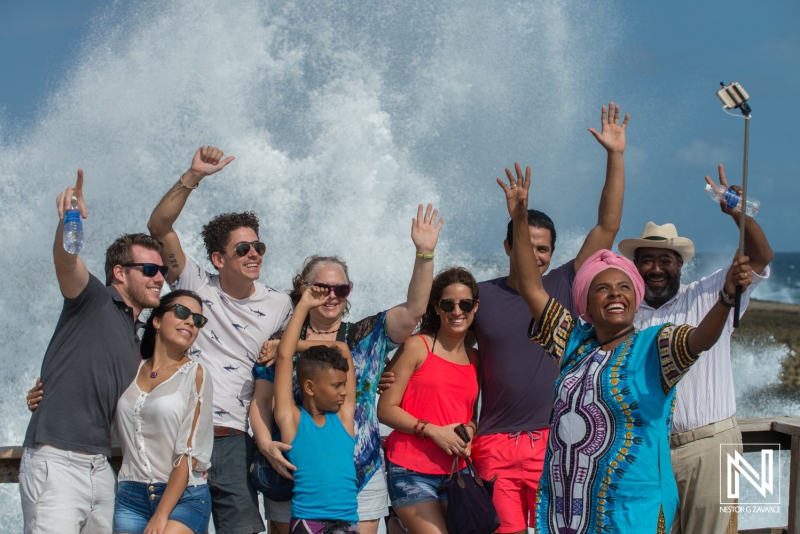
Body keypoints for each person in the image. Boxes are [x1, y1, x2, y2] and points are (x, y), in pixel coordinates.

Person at [501, 165, 754, 533]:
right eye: (603, 288)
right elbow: (529, 285)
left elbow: (701, 339)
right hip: (574, 511)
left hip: (636, 511)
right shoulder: (574, 342)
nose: (615, 293)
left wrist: (727, 297)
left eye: (624, 287)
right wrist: (520, 218)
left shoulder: (657, 345)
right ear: (585, 302)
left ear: (636, 299)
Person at [472, 103, 628, 534]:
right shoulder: (480, 297)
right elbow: (444, 349)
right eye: (527, 245)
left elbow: (607, 224)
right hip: (494, 442)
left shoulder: (566, 284)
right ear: (508, 247)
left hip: (558, 440)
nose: (536, 256)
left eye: (544, 249)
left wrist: (614, 156)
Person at [250, 204, 443, 534]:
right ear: (303, 287)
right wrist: (266, 445)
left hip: (361, 472)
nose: (331, 296)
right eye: (321, 288)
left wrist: (424, 254)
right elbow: (261, 401)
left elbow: (414, 310)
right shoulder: (279, 342)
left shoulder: (364, 335)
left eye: (341, 289)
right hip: (295, 471)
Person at [617, 164, 774, 534]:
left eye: (665, 260)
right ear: (635, 267)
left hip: (714, 446)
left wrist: (738, 212)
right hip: (647, 453)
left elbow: (761, 257)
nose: (656, 269)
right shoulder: (622, 314)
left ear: (680, 266)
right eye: (647, 260)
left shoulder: (709, 292)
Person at [147, 146, 293, 534]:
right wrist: (193, 176)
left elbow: (302, 352)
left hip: (233, 440)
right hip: (177, 435)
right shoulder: (195, 284)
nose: (253, 254)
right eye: (242, 248)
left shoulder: (280, 304)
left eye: (258, 246)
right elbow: (159, 228)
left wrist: (281, 342)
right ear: (218, 259)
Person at [20, 170, 165, 533]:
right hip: (57, 460)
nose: (159, 278)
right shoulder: (94, 298)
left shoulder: (138, 337)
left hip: (101, 468)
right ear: (119, 272)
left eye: (161, 271)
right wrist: (70, 220)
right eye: (148, 269)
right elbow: (67, 263)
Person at [378, 267, 480, 534]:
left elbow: (472, 415)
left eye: (465, 304)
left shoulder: (476, 359)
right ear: (437, 308)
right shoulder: (416, 346)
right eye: (448, 304)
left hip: (456, 472)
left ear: (475, 307)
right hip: (410, 467)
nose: (457, 312)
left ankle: (398, 527)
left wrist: (469, 430)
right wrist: (432, 430)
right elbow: (385, 410)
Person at [113, 290, 214, 534]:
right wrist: (43, 398)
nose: (191, 321)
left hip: (184, 497)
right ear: (156, 321)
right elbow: (95, 407)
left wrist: (161, 514)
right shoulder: (130, 370)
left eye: (198, 320)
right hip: (130, 497)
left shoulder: (196, 374)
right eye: (182, 312)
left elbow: (188, 453)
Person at [273, 284, 360, 533]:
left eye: (345, 385)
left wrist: (304, 348)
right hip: (308, 523)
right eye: (336, 386)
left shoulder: (344, 417)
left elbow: (342, 349)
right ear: (309, 387)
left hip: (348, 522)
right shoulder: (291, 419)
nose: (345, 392)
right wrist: (304, 305)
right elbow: (284, 355)